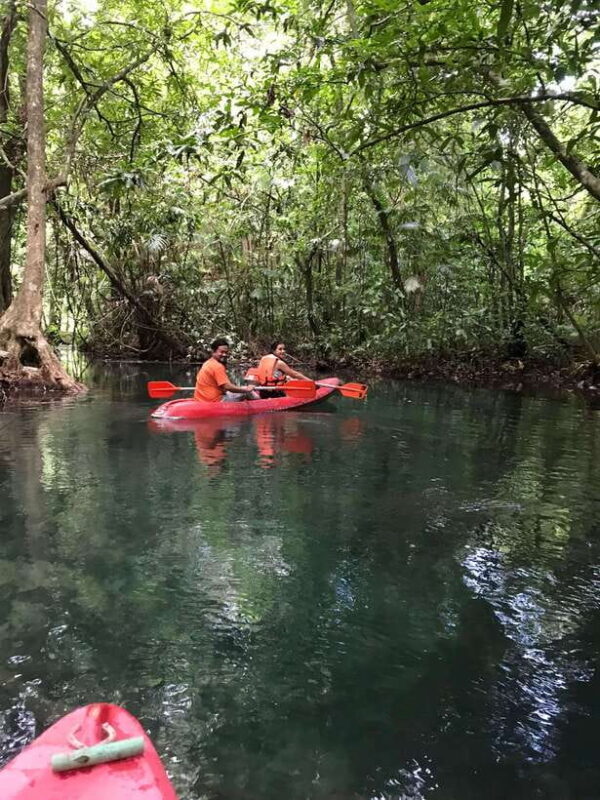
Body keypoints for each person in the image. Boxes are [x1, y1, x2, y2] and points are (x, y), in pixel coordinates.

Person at [194, 338, 257, 402]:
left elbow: (224, 387)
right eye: (221, 352)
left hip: (202, 399)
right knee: (246, 390)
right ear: (213, 352)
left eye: (226, 352)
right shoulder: (217, 366)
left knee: (237, 390)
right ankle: (261, 403)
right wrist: (248, 389)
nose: (224, 355)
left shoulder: (207, 363)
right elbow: (228, 387)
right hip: (216, 400)